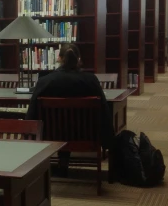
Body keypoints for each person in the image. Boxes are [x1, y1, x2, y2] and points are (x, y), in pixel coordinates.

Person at [25, 43, 114, 175]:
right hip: (85, 135)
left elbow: (32, 113)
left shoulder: (45, 81)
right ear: (79, 59)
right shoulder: (91, 80)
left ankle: (58, 165)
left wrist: (29, 136)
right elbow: (104, 111)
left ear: (59, 58)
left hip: (52, 135)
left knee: (59, 125)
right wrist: (108, 140)